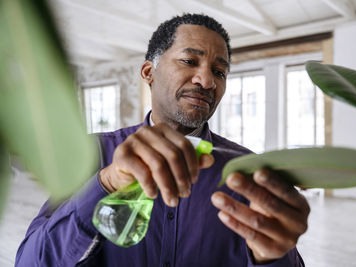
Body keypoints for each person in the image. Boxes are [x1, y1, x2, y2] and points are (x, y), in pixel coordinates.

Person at [15, 13, 310, 267]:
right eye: (189, 60)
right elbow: (31, 261)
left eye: (219, 72)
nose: (206, 81)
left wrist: (272, 258)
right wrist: (104, 185)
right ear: (148, 72)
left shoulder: (247, 171)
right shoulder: (91, 154)